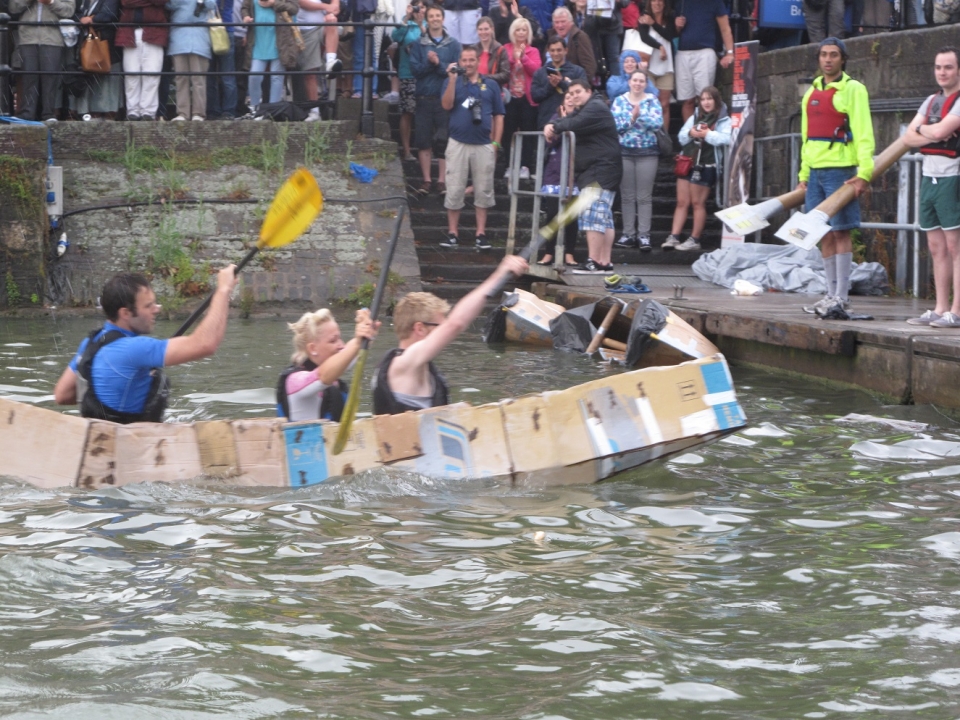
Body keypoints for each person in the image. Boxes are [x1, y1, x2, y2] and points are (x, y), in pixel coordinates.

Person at [53, 267, 237, 423]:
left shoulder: (91, 342)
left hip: (100, 443)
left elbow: (62, 395)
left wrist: (111, 391)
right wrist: (223, 290)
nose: (157, 309)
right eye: (148, 306)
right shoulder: (136, 349)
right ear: (126, 313)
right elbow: (205, 344)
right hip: (131, 450)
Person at [372, 255, 529, 415]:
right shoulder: (403, 364)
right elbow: (456, 324)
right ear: (419, 328)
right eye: (440, 327)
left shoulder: (425, 369)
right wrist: (500, 275)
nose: (444, 333)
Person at [795, 37, 874, 315]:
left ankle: (842, 297)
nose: (828, 59)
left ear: (843, 59)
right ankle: (829, 294)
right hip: (815, 172)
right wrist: (803, 174)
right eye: (824, 55)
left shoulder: (854, 90)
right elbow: (806, 138)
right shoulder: (810, 93)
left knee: (841, 231)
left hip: (841, 172)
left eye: (834, 55)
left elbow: (863, 133)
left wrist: (864, 173)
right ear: (819, 59)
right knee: (822, 235)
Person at [903, 47, 960, 328]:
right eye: (938, 67)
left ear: (958, 70)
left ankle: (956, 310)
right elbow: (907, 137)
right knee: (935, 246)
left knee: (955, 246)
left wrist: (927, 130)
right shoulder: (930, 101)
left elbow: (934, 133)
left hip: (953, 177)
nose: (942, 72)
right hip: (929, 177)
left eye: (948, 67)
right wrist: (932, 130)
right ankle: (939, 308)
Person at [544, 79, 622, 273]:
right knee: (604, 218)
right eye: (571, 93)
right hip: (598, 169)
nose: (575, 96)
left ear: (589, 91)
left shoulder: (595, 107)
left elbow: (575, 122)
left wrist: (553, 127)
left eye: (578, 92)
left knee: (593, 216)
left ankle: (593, 261)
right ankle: (604, 262)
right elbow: (570, 118)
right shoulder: (589, 106)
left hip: (601, 169)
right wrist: (556, 122)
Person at [439, 45, 505, 249]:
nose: (468, 64)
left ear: (478, 61)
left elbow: (499, 115)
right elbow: (446, 105)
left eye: (471, 60)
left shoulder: (491, 84)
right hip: (458, 142)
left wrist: (496, 142)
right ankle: (452, 233)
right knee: (455, 188)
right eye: (464, 60)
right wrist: (451, 79)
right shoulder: (453, 81)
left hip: (484, 144)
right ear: (459, 62)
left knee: (484, 188)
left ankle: (480, 234)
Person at [276, 308, 379, 421]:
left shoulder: (333, 370)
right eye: (333, 341)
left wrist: (367, 326)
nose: (341, 345)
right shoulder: (294, 381)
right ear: (313, 348)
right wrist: (357, 342)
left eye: (340, 338)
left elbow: (353, 350)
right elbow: (322, 376)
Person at [663, 85, 730, 252]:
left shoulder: (723, 119)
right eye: (703, 99)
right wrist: (692, 133)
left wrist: (707, 134)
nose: (706, 102)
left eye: (710, 99)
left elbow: (725, 139)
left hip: (706, 164)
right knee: (682, 202)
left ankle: (695, 239)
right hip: (687, 161)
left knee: (697, 203)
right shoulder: (695, 116)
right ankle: (674, 236)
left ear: (716, 101)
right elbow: (681, 136)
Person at [409, 5, 462, 195]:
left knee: (444, 140)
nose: (435, 19)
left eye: (437, 15)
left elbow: (455, 71)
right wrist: (430, 64)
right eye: (431, 16)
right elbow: (415, 71)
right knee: (423, 140)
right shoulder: (418, 44)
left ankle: (441, 180)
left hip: (445, 99)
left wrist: (438, 64)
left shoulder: (454, 44)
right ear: (427, 19)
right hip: (424, 97)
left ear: (443, 18)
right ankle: (426, 180)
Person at [611, 69, 662, 253]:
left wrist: (639, 116)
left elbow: (657, 123)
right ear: (629, 82)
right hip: (624, 152)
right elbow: (615, 126)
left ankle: (643, 235)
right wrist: (632, 118)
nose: (638, 83)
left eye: (642, 81)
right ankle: (628, 234)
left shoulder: (652, 100)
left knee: (644, 196)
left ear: (646, 83)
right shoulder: (619, 101)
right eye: (635, 80)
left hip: (648, 152)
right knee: (627, 196)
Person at [11, 0, 75, 123]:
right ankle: (26, 113)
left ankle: (48, 114)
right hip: (28, 37)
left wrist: (51, 2)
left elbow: (69, 10)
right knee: (29, 76)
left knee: (50, 77)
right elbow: (13, 7)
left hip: (52, 38)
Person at [537, 91, 580, 266]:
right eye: (567, 97)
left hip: (575, 174)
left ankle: (569, 253)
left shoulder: (583, 118)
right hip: (555, 173)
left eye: (573, 97)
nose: (570, 100)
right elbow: (549, 141)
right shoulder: (555, 118)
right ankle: (549, 252)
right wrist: (560, 123)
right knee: (552, 214)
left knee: (572, 216)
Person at [673, 0, 733, 122]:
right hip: (682, 54)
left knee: (706, 98)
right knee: (687, 100)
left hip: (705, 53)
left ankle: (705, 134)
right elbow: (674, 33)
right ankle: (690, 136)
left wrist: (730, 52)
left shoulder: (715, 3)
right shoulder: (681, 3)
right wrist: (676, 26)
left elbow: (725, 29)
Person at [241, 0, 299, 115]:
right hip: (258, 41)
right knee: (254, 76)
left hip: (280, 41)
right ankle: (254, 108)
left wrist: (274, 3)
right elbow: (245, 7)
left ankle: (273, 110)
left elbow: (294, 8)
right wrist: (246, 17)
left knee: (276, 77)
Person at [502, 17, 541, 181]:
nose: (520, 32)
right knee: (507, 132)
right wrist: (514, 58)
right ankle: (509, 165)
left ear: (528, 33)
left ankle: (525, 166)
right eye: (518, 29)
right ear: (513, 32)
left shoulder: (533, 51)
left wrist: (523, 58)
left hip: (527, 96)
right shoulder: (505, 49)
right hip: (509, 96)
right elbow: (502, 67)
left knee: (527, 131)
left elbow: (537, 71)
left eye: (524, 30)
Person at [70, 0, 122, 120]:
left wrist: (92, 19)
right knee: (87, 76)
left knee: (106, 80)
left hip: (105, 41)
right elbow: (75, 13)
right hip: (85, 43)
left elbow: (109, 14)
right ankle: (87, 112)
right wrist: (83, 19)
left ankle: (107, 112)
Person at [167, 0, 216, 121]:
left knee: (198, 79)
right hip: (179, 37)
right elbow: (169, 5)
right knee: (181, 78)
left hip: (199, 38)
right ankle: (182, 113)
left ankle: (198, 113)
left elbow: (211, 5)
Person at [297, 0, 342, 121]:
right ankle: (315, 111)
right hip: (304, 29)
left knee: (332, 20)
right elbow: (301, 3)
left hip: (322, 24)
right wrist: (328, 6)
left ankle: (330, 61)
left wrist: (334, 7)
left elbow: (335, 3)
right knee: (310, 72)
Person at [530, 36, 585, 129]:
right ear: (548, 51)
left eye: (559, 50)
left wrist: (562, 83)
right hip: (546, 121)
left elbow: (583, 94)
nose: (556, 53)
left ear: (565, 50)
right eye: (552, 50)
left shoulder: (577, 71)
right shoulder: (540, 73)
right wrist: (550, 86)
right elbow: (534, 96)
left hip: (572, 122)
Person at [392, 3, 424, 160]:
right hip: (408, 74)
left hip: (426, 76)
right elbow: (395, 36)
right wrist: (406, 17)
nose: (420, 10)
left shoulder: (430, 24)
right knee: (407, 112)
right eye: (418, 7)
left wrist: (421, 25)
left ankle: (425, 150)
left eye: (423, 7)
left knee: (426, 113)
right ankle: (406, 150)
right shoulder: (407, 25)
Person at [636, 0, 675, 130]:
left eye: (660, 1)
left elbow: (670, 36)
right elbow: (643, 37)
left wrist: (653, 24)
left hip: (666, 66)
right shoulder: (644, 16)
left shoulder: (669, 18)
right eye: (654, 1)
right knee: (649, 103)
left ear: (665, 4)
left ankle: (665, 139)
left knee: (664, 104)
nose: (657, 3)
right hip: (649, 67)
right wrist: (659, 47)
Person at [206, 0, 239, 119]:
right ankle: (218, 110)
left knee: (226, 75)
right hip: (218, 29)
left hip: (222, 29)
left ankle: (227, 111)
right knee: (213, 76)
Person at [548, 7, 596, 81]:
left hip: (573, 85)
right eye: (557, 22)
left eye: (563, 21)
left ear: (571, 22)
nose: (560, 25)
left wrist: (581, 86)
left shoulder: (580, 37)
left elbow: (589, 67)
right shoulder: (551, 36)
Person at [476, 15, 509, 90]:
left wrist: (485, 77)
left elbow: (505, 75)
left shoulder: (500, 50)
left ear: (492, 29)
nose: (483, 32)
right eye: (480, 29)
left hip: (492, 89)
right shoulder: (473, 49)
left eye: (486, 29)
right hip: (475, 88)